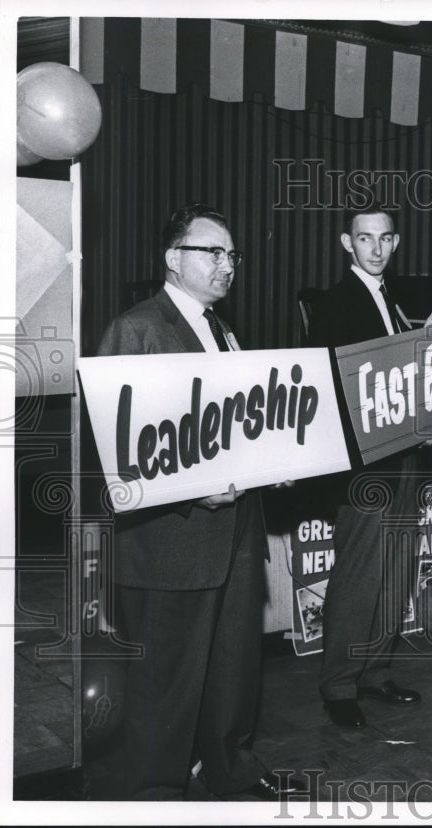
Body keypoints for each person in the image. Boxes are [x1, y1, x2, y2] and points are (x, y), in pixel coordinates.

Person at [96, 203, 291, 800]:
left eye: (232, 254)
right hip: (171, 545)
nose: (227, 264)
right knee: (165, 686)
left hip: (233, 536)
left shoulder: (223, 331)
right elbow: (117, 456)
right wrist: (189, 490)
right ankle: (155, 795)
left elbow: (236, 432)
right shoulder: (139, 329)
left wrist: (276, 462)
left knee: (232, 670)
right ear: (171, 258)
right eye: (212, 252)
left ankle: (230, 767)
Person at [309, 205, 432, 728]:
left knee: (395, 571)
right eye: (365, 238)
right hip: (365, 468)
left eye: (385, 238)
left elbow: (402, 372)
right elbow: (336, 393)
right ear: (347, 244)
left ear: (395, 243)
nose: (376, 248)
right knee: (358, 576)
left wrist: (428, 338)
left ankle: (374, 669)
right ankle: (339, 684)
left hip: (404, 459)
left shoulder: (390, 297)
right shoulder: (335, 304)